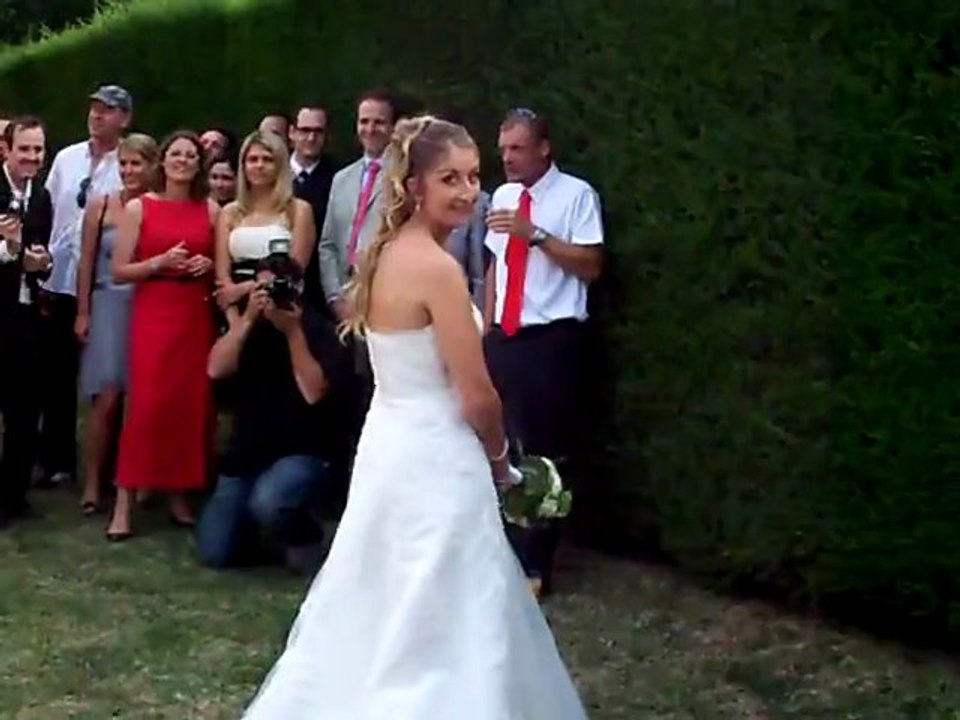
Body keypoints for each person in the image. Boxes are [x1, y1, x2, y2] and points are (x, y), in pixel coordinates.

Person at [242, 117, 587, 719]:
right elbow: (476, 394)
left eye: (474, 177)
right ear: (416, 184)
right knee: (449, 608)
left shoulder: (382, 256)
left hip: (387, 444)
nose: (467, 191)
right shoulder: (437, 269)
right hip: (436, 455)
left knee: (381, 593)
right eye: (449, 177)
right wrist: (505, 468)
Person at [196, 252, 349, 571]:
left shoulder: (318, 330)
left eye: (279, 287)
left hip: (305, 452)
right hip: (249, 453)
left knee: (270, 500)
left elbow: (313, 393)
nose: (272, 296)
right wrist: (247, 318)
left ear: (299, 288)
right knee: (215, 552)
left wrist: (292, 332)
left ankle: (308, 534)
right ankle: (254, 530)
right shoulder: (249, 328)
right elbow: (214, 369)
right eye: (264, 288)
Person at [106, 130, 219, 541]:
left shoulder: (210, 209)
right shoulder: (139, 208)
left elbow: (219, 265)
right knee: (147, 406)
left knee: (185, 405)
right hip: (154, 312)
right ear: (163, 160)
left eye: (191, 155)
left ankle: (177, 493)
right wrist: (159, 262)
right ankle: (123, 503)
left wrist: (205, 264)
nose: (183, 160)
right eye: (176, 153)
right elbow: (119, 270)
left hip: (194, 315)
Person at [74, 133, 159, 516]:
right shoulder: (101, 206)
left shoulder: (157, 208)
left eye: (136, 164)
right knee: (105, 398)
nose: (128, 171)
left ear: (150, 166)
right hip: (108, 302)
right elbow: (86, 261)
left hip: (146, 304)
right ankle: (92, 483)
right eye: (123, 164)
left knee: (140, 399)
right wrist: (83, 310)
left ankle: (134, 480)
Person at [0, 116, 54, 528]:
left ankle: (14, 494)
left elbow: (40, 253)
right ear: (7, 148)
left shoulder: (42, 196)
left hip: (26, 314)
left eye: (38, 149)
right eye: (25, 149)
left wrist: (40, 262)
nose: (33, 157)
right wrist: (11, 250)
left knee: (25, 405)